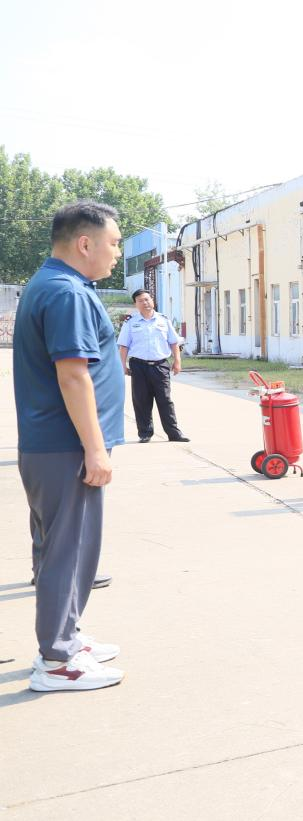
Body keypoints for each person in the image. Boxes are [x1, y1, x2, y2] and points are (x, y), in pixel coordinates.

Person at [17, 201, 127, 692]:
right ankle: (58, 661)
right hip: (67, 447)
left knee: (58, 548)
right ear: (85, 243)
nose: (117, 253)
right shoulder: (66, 293)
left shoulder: (52, 284)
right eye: (113, 243)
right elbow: (73, 376)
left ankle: (66, 635)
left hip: (53, 446)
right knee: (69, 551)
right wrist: (95, 449)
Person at [117, 289, 188, 443]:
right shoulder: (131, 322)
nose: (145, 303)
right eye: (141, 300)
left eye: (147, 299)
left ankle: (174, 433)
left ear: (152, 301)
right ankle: (145, 433)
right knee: (141, 400)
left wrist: (177, 361)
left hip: (160, 365)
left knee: (165, 399)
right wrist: (122, 365)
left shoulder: (163, 320)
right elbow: (123, 346)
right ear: (136, 304)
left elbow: (173, 342)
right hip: (139, 366)